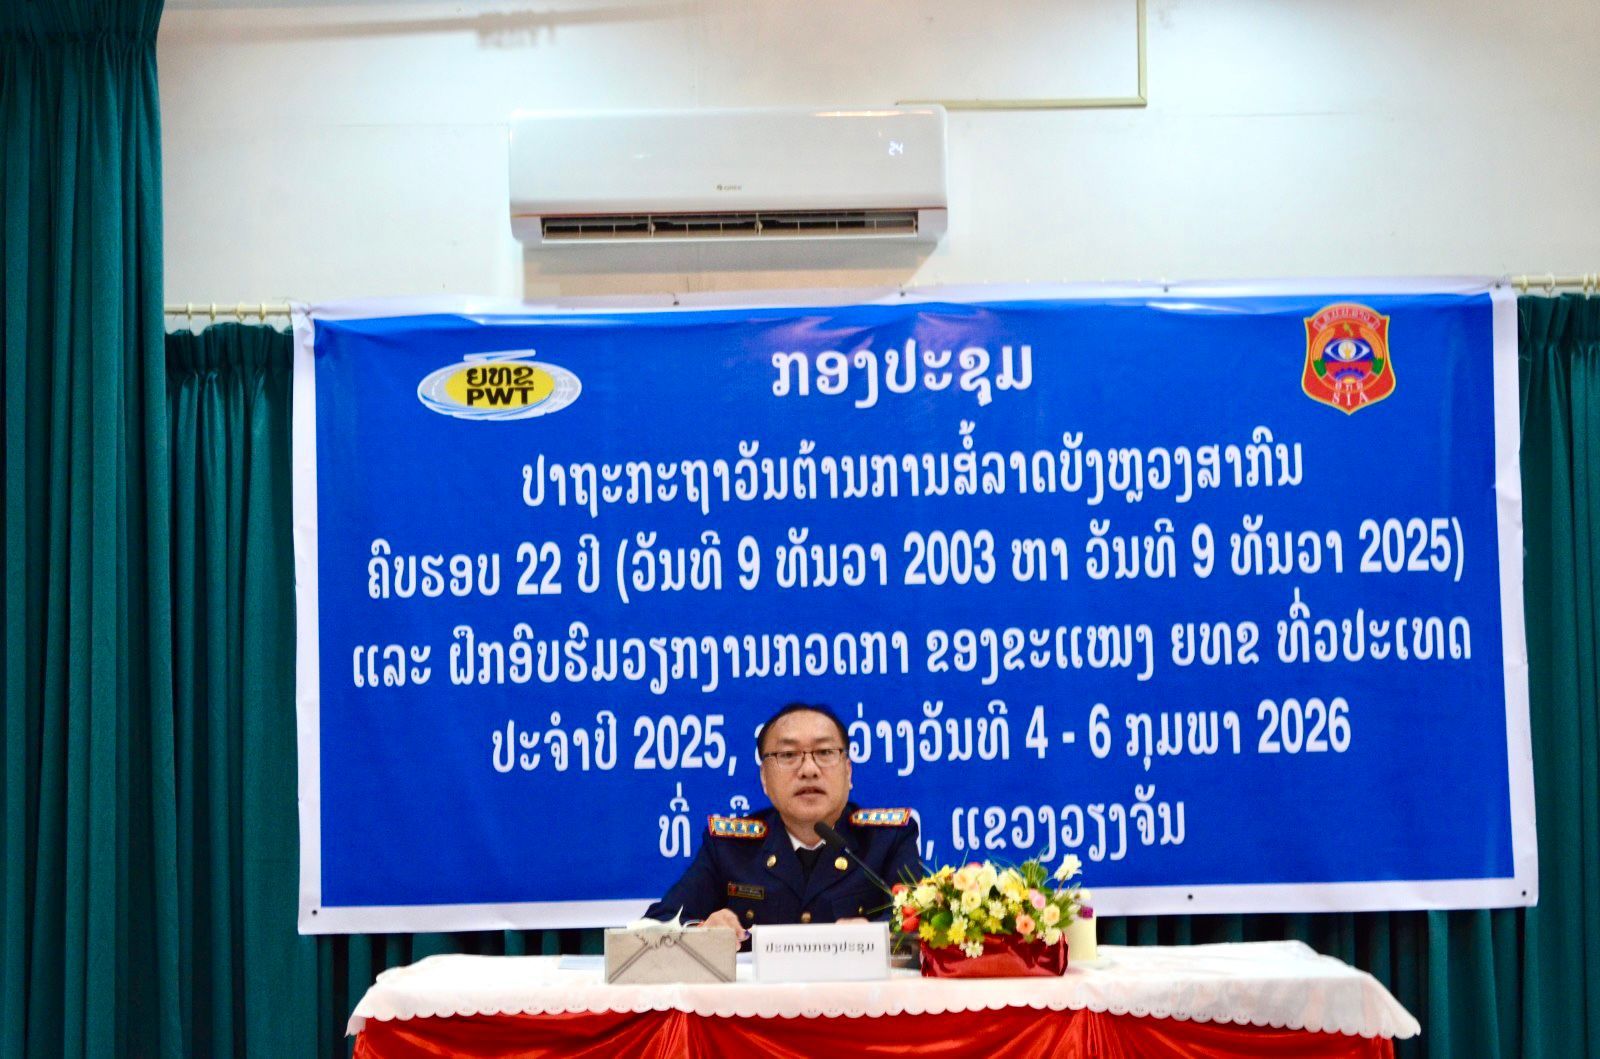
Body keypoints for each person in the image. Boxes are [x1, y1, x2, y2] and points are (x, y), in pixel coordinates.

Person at [644, 702, 921, 938]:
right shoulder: (730, 848)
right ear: (765, 778)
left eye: (825, 752)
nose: (809, 770)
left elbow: (922, 921)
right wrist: (702, 930)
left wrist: (874, 934)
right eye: (788, 755)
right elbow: (656, 925)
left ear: (848, 772)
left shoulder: (887, 840)